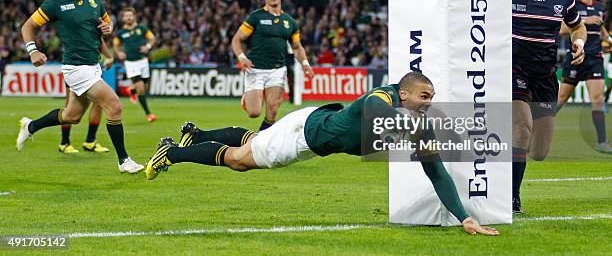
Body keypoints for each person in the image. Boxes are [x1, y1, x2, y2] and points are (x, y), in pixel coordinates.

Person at [144, 71, 498, 236]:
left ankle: (197, 135)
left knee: (253, 141)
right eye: (424, 97)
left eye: (432, 98)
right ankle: (173, 153)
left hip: (311, 123)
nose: (429, 103)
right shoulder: (383, 97)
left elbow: (436, 172)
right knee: (239, 160)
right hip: (304, 138)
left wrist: (464, 217)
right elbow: (377, 114)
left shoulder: (419, 121)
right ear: (404, 94)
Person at [16, 0, 143, 174]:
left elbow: (107, 24)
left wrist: (108, 27)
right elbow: (27, 26)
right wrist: (32, 50)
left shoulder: (95, 1)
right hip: (76, 67)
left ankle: (31, 126)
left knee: (72, 116)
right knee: (115, 106)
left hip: (93, 65)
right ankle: (124, 161)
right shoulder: (54, 5)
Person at [512, 0, 587, 213]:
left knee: (539, 152)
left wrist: (578, 43)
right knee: (521, 127)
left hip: (545, 75)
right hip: (514, 69)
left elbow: (577, 27)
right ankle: (511, 198)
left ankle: (506, 150)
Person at [231, 0, 314, 131]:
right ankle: (247, 98)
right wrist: (242, 58)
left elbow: (297, 47)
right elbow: (236, 40)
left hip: (277, 70)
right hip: (255, 68)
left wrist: (305, 64)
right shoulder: (256, 17)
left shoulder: (289, 22)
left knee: (273, 110)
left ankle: (261, 139)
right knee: (254, 112)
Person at [556, 0, 611, 154]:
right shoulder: (573, 7)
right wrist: (584, 21)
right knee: (560, 99)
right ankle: (535, 130)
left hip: (594, 59)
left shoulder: (600, 8)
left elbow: (600, 29)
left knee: (597, 99)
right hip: (575, 57)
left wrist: (609, 39)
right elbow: (562, 30)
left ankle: (602, 142)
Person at [58, 0, 111, 154]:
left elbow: (100, 42)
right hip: (76, 66)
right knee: (70, 108)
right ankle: (64, 142)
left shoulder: (94, 19)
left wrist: (109, 57)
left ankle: (90, 140)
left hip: (92, 66)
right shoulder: (73, 19)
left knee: (99, 104)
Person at [113, 7, 157, 122]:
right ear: (123, 18)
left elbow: (152, 38)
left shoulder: (141, 28)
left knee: (145, 85)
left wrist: (147, 47)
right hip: (131, 63)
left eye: (130, 15)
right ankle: (149, 114)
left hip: (143, 61)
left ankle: (132, 91)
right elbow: (116, 45)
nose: (128, 17)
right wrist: (119, 53)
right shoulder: (121, 33)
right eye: (126, 16)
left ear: (134, 16)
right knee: (141, 87)